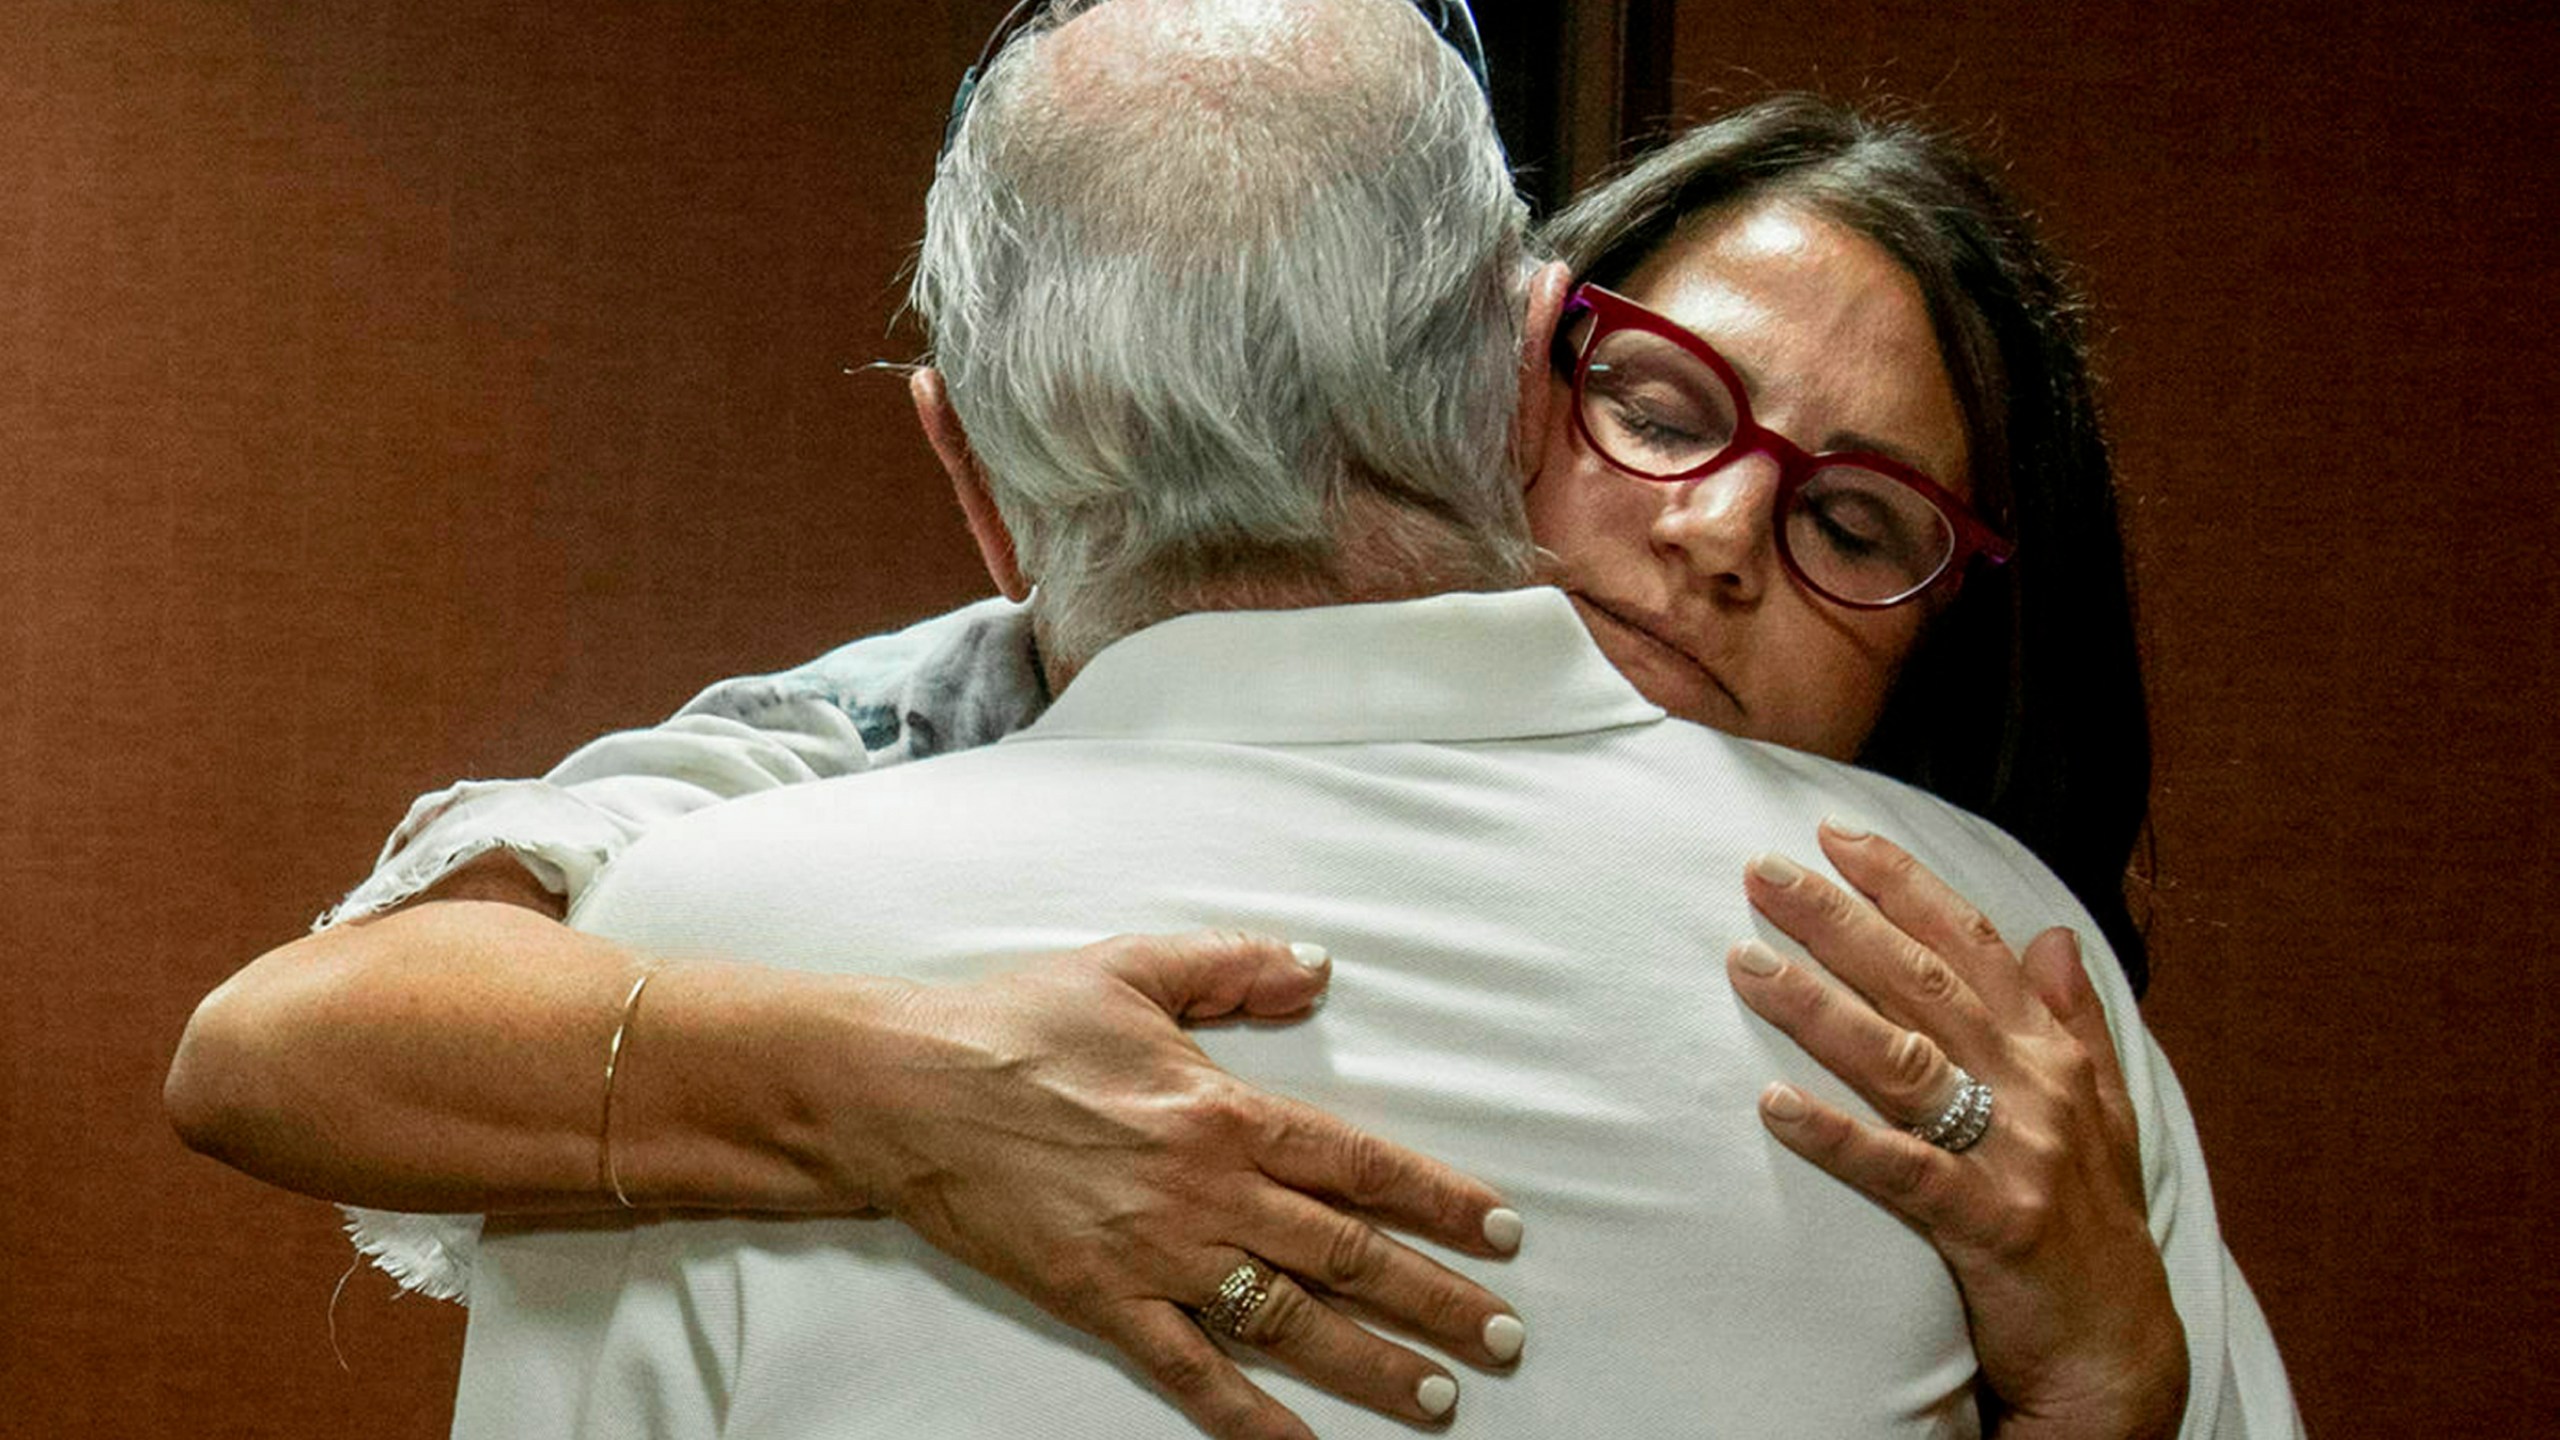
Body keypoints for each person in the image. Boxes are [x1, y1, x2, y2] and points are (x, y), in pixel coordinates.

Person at [165, 4, 2297, 1437]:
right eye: (1655, 405)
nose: (1712, 537)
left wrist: (2117, 1373)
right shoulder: (814, 796)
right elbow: (282, 1041)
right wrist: (871, 1076)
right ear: (1517, 367)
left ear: (970, 467)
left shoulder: (1999, 1015)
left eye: (1852, 520)